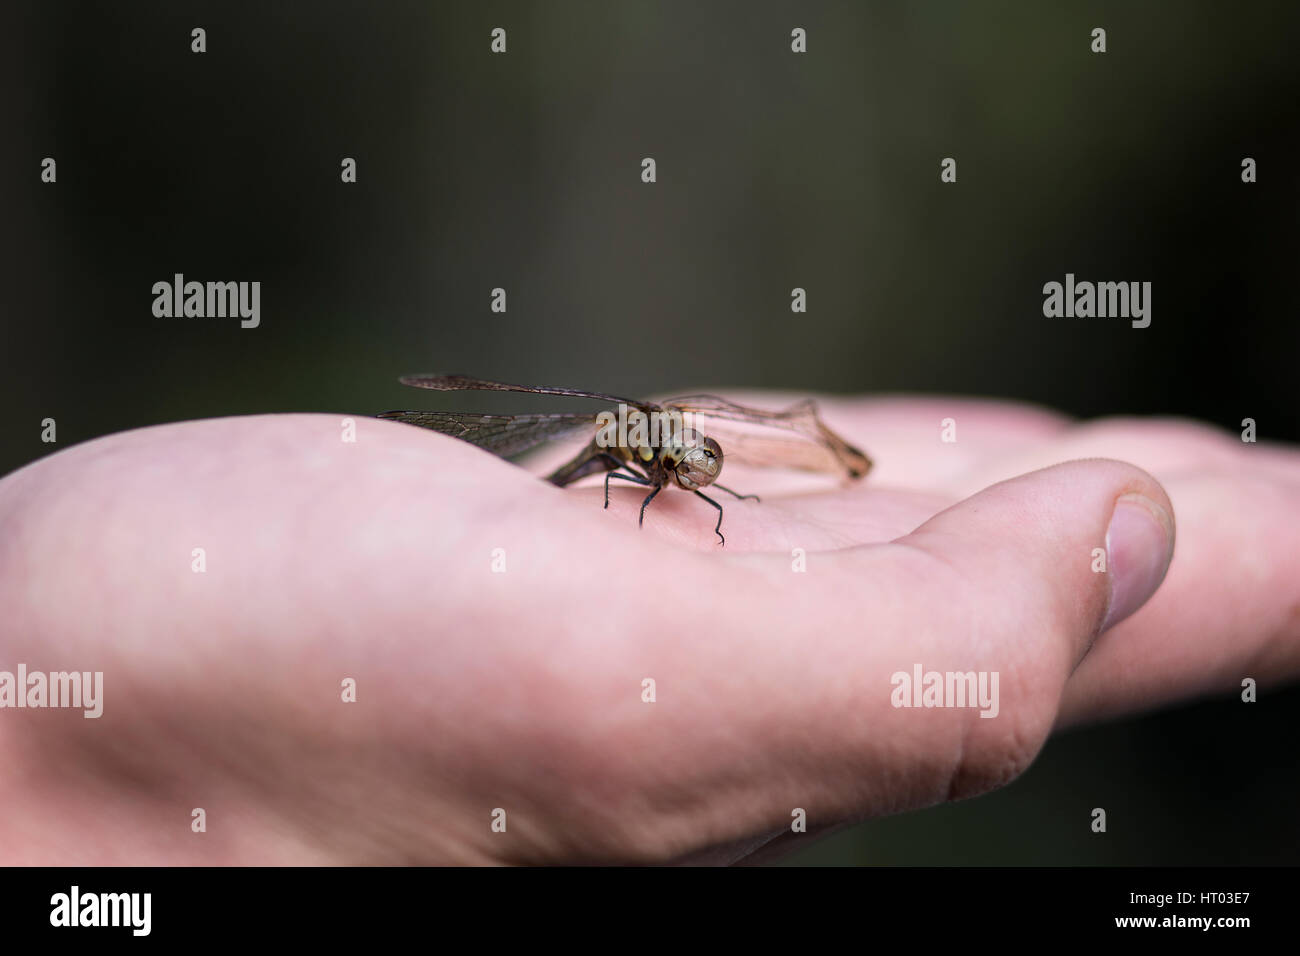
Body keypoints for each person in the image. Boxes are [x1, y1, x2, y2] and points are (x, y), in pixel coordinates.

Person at [0, 395, 1295, 865]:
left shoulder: (688, 459)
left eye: (662, 446)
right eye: (654, 444)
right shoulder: (619, 459)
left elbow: (698, 478)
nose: (658, 452)